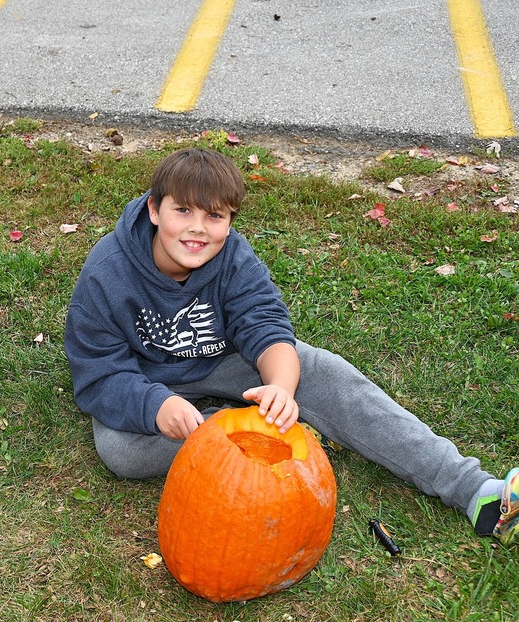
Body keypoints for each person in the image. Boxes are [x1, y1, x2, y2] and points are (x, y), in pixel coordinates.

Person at [64, 147, 518, 543]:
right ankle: (246, 431)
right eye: (182, 211)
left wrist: (281, 386)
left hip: (226, 360)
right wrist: (154, 406)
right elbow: (98, 373)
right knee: (121, 451)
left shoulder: (233, 259)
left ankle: (474, 490)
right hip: (145, 377)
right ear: (154, 210)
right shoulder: (108, 270)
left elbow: (265, 325)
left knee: (322, 371)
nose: (197, 229)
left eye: (214, 216)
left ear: (229, 221)